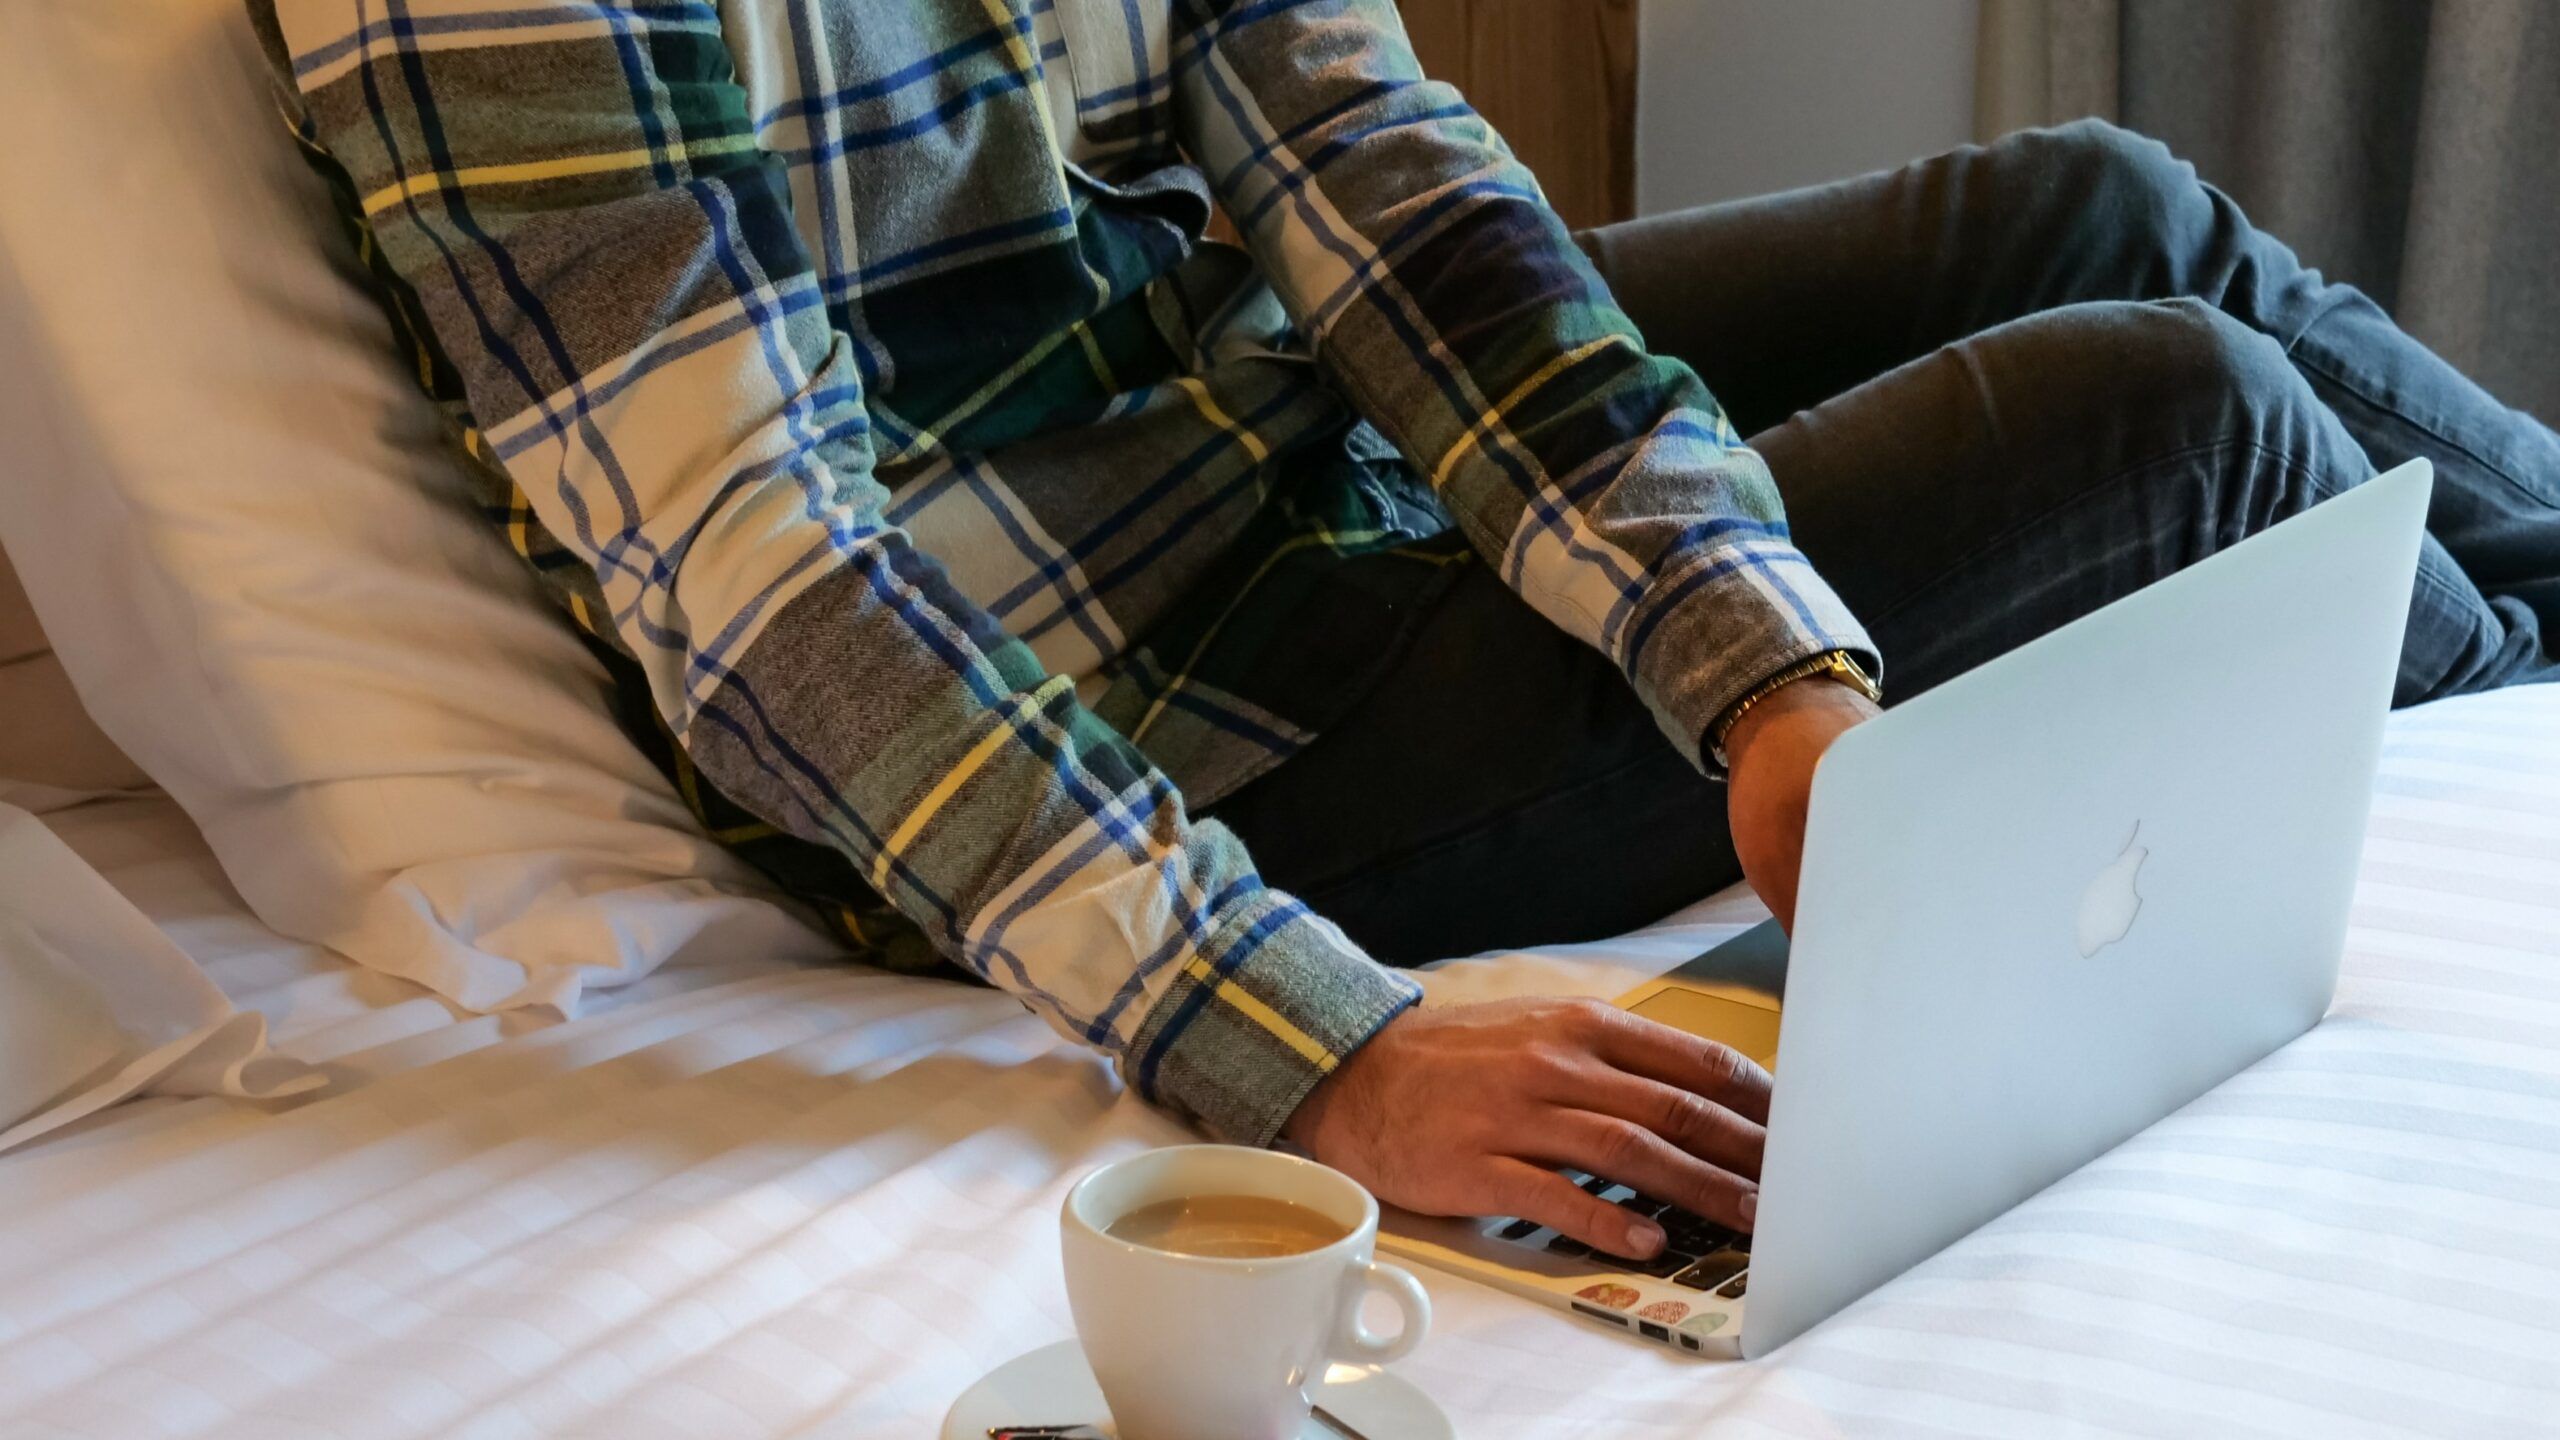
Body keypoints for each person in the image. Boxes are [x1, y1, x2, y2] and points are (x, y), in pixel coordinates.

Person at [248, 0, 2558, 1262]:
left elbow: (1375, 177)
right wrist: (1300, 1044)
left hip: (1259, 423)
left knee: (2096, 204)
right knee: (2174, 417)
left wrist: (1746, 655)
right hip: (1111, 706)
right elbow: (757, 577)